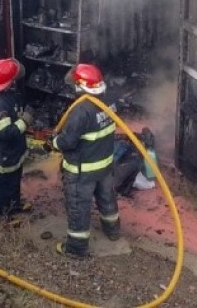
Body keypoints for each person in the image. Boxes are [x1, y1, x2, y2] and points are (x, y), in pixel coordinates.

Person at [52, 63, 120, 258]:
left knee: (78, 206)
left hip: (82, 171)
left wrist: (55, 142)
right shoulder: (110, 101)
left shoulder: (81, 111)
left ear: (80, 86)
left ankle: (76, 248)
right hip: (105, 165)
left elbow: (67, 141)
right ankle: (113, 230)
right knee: (107, 198)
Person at [0, 58, 33, 223]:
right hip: (1, 155)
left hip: (11, 152)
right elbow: (7, 133)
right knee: (1, 187)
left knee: (14, 179)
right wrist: (25, 120)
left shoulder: (2, 94)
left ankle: (14, 205)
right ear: (6, 83)